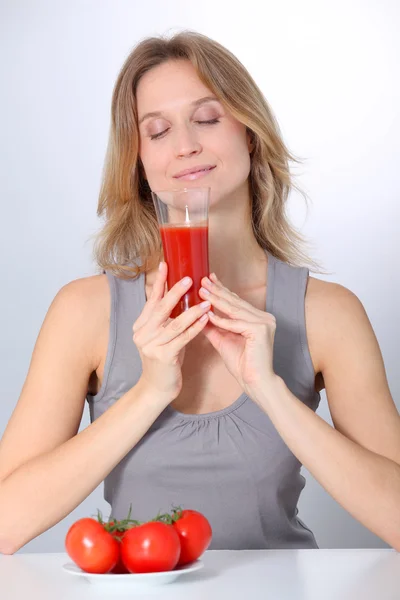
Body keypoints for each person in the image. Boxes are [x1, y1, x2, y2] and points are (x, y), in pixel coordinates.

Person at [0, 31, 399, 555]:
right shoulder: (84, 311)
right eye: (158, 130)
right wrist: (149, 392)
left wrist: (271, 391)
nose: (185, 144)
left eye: (208, 119)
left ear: (250, 134)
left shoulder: (328, 314)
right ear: (139, 161)